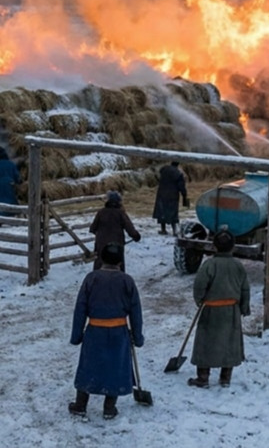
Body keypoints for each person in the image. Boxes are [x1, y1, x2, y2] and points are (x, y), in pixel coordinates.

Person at [69, 241, 144, 420]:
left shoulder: (91, 279)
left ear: (101, 259)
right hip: (119, 332)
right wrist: (137, 336)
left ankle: (80, 405)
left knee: (89, 366)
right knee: (115, 367)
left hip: (95, 331)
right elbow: (136, 311)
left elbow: (80, 308)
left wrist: (76, 335)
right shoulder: (127, 281)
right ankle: (109, 408)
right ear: (120, 262)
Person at [188, 228, 250, 388]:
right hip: (231, 311)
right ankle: (225, 378)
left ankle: (203, 377)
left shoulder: (209, 265)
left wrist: (200, 301)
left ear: (214, 246)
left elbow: (199, 286)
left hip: (211, 311)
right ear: (233, 246)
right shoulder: (238, 266)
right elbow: (245, 288)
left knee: (205, 342)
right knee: (229, 342)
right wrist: (244, 307)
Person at [90, 190, 141, 271]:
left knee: (100, 263)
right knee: (117, 263)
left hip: (101, 244)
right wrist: (136, 236)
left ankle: (98, 277)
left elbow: (93, 228)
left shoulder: (101, 212)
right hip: (116, 244)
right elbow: (129, 227)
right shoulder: (120, 213)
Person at [152, 161, 188, 235]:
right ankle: (174, 231)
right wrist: (184, 195)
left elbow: (158, 177)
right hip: (172, 194)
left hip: (162, 193)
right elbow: (181, 186)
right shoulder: (178, 173)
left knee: (162, 211)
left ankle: (163, 230)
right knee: (173, 212)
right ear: (178, 165)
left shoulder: (164, 169)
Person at [0, 146, 21, 219]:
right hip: (9, 185)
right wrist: (17, 183)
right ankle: (10, 214)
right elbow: (16, 176)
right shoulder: (12, 164)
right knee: (9, 199)